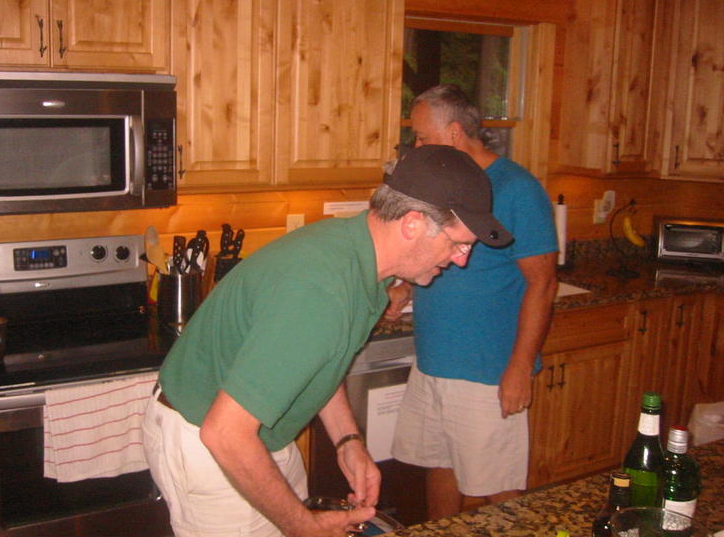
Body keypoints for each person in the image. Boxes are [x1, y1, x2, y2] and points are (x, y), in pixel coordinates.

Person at [141, 144, 512, 537]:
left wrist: (348, 440)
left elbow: (320, 361)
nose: (462, 259)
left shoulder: (365, 262)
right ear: (412, 224)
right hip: (211, 439)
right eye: (458, 243)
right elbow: (224, 434)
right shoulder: (321, 292)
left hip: (256, 432)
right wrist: (304, 526)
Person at [388, 85, 558, 519]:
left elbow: (542, 283)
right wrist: (405, 287)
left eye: (423, 137)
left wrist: (520, 367)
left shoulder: (516, 189)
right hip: (433, 361)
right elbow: (431, 254)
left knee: (497, 487)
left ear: (454, 133)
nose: (417, 147)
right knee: (439, 466)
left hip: (487, 370)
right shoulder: (442, 184)